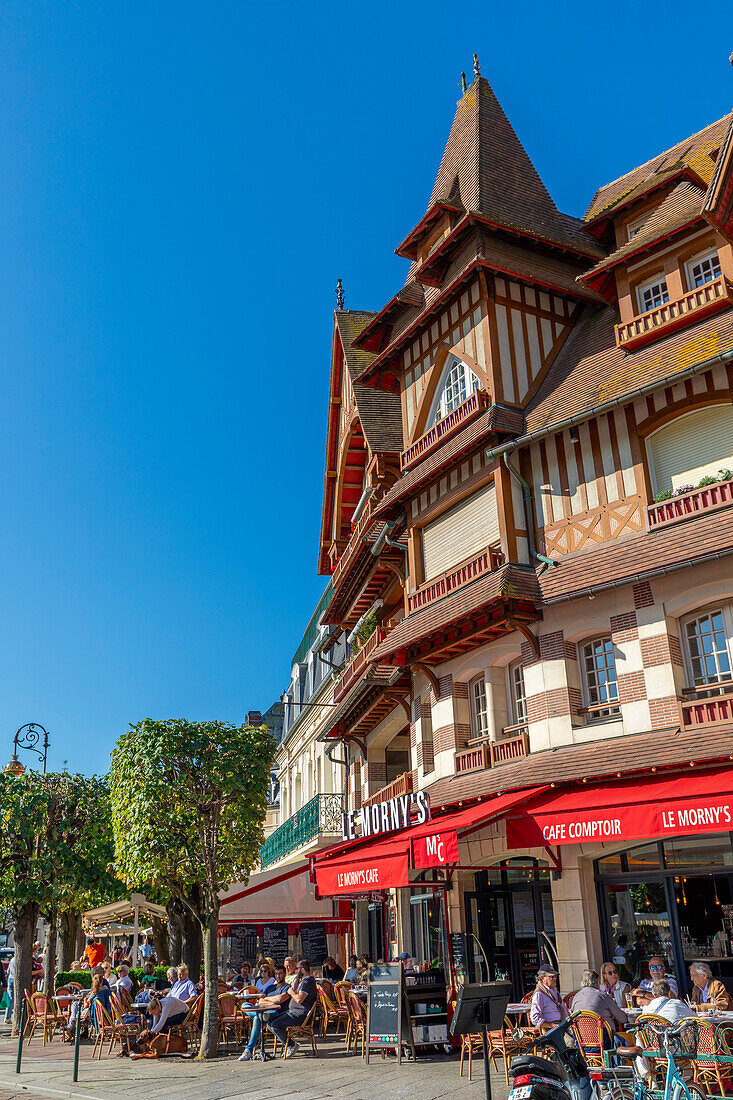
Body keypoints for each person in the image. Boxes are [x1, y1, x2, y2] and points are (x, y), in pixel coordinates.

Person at [266, 957, 318, 1058]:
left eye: (297, 969)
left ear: (302, 970)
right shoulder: (303, 980)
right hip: (293, 1011)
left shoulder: (308, 982)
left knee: (275, 1025)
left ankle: (291, 1045)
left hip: (300, 1015)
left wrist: (291, 992)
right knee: (269, 1021)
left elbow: (299, 999)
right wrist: (297, 980)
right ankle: (289, 1044)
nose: (295, 971)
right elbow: (293, 988)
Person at [239, 964, 290, 1061]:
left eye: (280, 974)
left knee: (258, 1017)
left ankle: (248, 1050)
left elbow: (279, 999)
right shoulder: (270, 987)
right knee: (244, 1005)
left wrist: (266, 1000)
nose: (278, 976)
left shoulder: (287, 987)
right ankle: (259, 1014)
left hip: (275, 1013)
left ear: (285, 974)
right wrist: (270, 1000)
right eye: (276, 974)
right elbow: (259, 1001)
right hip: (262, 1010)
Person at [571, 969, 628, 1034]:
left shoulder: (576, 997)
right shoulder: (603, 996)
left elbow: (573, 1016)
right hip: (603, 1038)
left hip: (581, 1038)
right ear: (597, 982)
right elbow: (622, 1019)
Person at [530, 964, 568, 1028]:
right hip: (551, 1029)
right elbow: (534, 1018)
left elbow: (563, 1009)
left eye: (555, 976)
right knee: (570, 1038)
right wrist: (551, 1026)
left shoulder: (554, 990)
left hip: (562, 1024)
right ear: (542, 978)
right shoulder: (539, 994)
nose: (555, 979)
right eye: (551, 977)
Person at [3, 954, 14, 1024]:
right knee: (15, 999)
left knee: (10, 998)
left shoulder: (12, 960)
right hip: (15, 979)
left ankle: (7, 1016)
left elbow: (8, 971)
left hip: (10, 978)